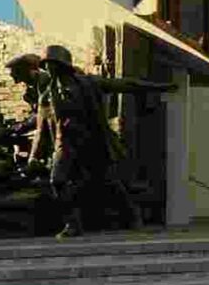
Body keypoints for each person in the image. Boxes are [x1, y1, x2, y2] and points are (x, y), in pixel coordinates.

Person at [27, 45, 142, 239]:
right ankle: (72, 223)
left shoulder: (87, 84)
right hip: (64, 144)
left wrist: (157, 87)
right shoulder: (46, 96)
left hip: (90, 140)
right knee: (58, 181)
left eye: (53, 64)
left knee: (109, 181)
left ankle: (131, 214)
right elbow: (40, 130)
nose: (49, 68)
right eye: (46, 65)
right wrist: (33, 156)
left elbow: (122, 84)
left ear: (63, 65)